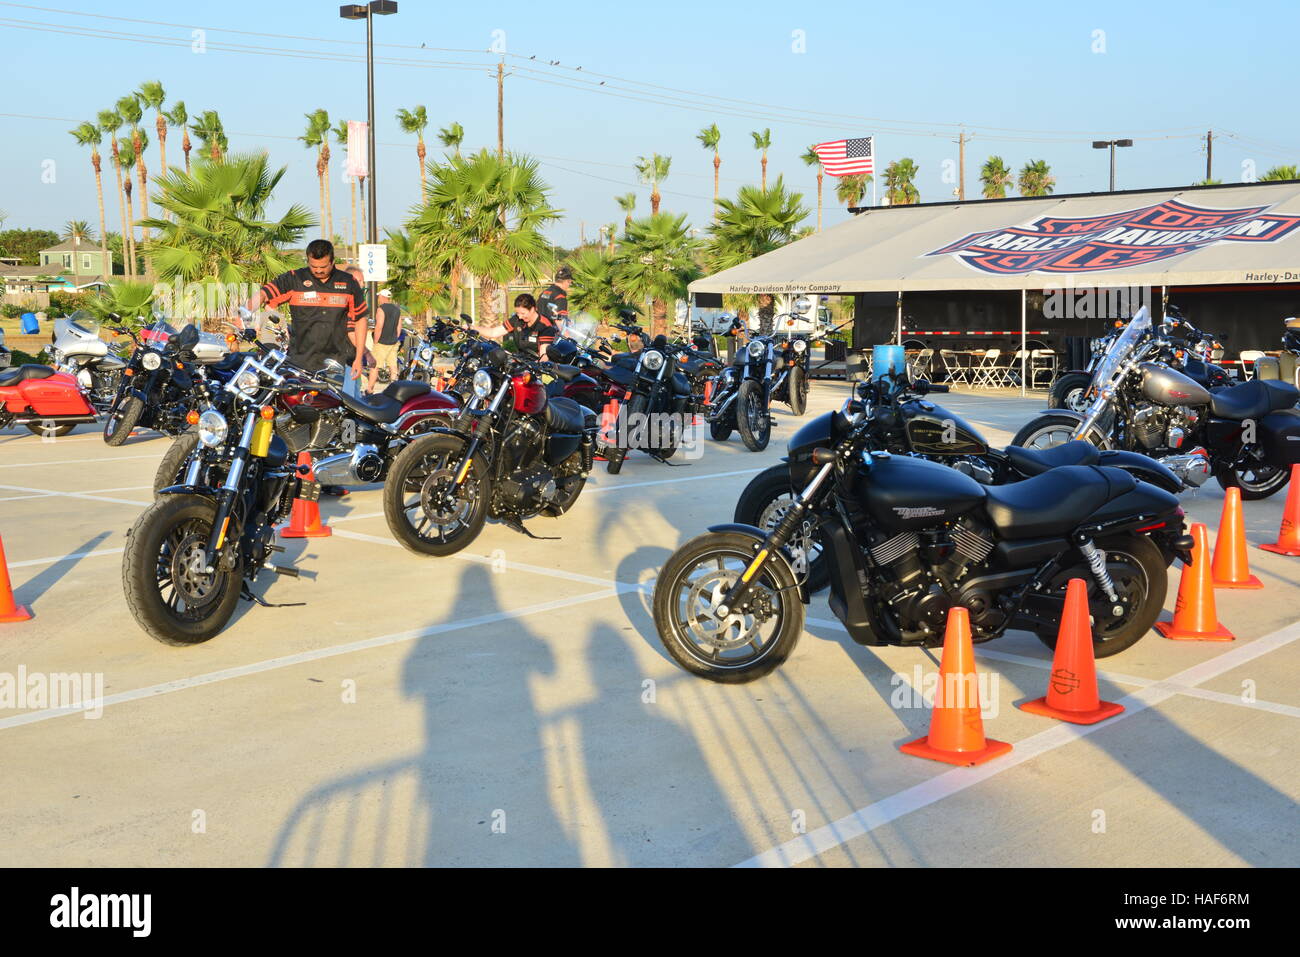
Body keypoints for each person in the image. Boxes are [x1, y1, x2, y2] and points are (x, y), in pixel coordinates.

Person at [253, 239, 367, 382]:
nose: (318, 270)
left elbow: (361, 319)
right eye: (313, 266)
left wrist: (359, 357)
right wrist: (244, 312)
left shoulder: (348, 282)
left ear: (332, 262)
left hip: (335, 364)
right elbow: (264, 293)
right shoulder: (295, 279)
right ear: (307, 260)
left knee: (333, 403)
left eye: (323, 266)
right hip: (300, 363)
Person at [368, 288, 403, 393]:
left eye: (379, 297)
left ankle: (369, 390)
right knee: (392, 364)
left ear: (382, 297)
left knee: (374, 366)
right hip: (393, 342)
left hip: (382, 342)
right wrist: (395, 337)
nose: (378, 299)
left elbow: (379, 326)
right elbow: (399, 326)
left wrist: (375, 341)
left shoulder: (381, 309)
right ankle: (394, 387)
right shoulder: (397, 309)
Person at [538, 266, 573, 338]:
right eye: (570, 283)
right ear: (567, 281)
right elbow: (559, 320)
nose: (569, 285)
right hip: (550, 333)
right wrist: (568, 337)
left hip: (539, 329)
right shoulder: (560, 297)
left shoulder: (545, 292)